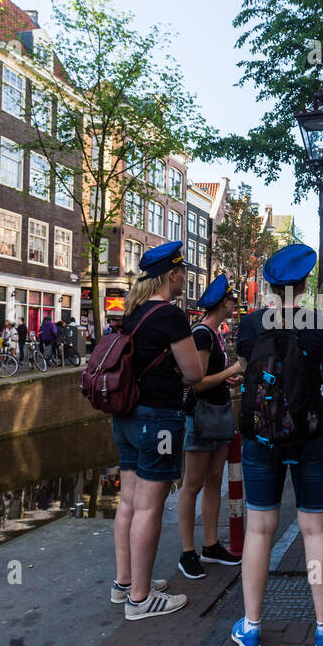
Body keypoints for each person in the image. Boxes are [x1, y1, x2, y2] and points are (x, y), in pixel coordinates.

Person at [230, 244, 323, 646]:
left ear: (268, 284)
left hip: (262, 438)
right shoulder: (317, 323)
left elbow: (247, 371)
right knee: (315, 529)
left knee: (259, 529)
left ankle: (251, 627)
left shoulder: (249, 324)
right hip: (312, 434)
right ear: (302, 285)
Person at [110, 241, 205, 619]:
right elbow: (195, 374)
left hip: (126, 416)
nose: (184, 277)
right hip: (158, 420)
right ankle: (141, 599)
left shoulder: (130, 313)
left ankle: (126, 583)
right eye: (182, 272)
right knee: (150, 506)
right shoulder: (170, 316)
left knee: (129, 502)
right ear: (173, 274)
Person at [177, 274, 245, 579]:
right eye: (232, 299)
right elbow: (198, 383)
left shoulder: (215, 333)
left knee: (215, 480)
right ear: (222, 302)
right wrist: (232, 369)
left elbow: (212, 377)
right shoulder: (203, 334)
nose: (235, 305)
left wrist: (229, 377)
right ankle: (187, 552)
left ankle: (211, 544)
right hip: (202, 415)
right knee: (192, 484)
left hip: (218, 412)